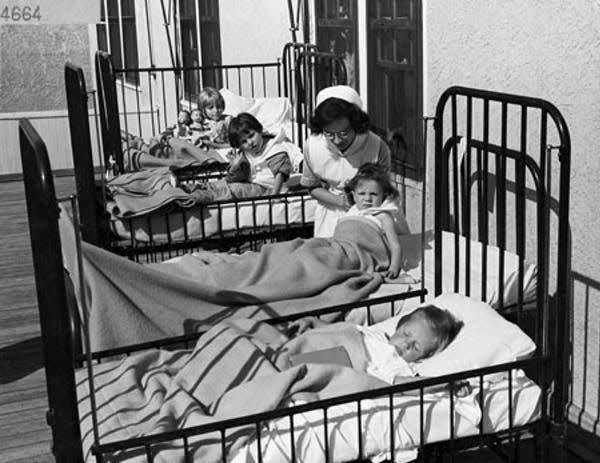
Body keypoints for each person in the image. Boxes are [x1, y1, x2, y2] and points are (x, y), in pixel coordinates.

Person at [285, 304, 463, 385]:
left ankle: (283, 367)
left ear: (424, 357)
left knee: (288, 367)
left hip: (341, 361)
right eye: (406, 334)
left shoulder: (398, 364)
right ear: (399, 326)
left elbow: (404, 385)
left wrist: (443, 384)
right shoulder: (376, 334)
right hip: (330, 343)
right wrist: (313, 323)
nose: (406, 345)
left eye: (416, 348)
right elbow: (343, 331)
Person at [300, 85, 392, 237]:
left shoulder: (376, 146)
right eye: (329, 134)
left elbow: (385, 190)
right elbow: (312, 187)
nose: (336, 140)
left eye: (343, 133)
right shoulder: (312, 146)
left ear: (356, 124)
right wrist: (339, 201)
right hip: (330, 212)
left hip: (369, 215)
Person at [343, 163, 410, 279]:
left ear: (383, 196)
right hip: (348, 253)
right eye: (362, 194)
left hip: (370, 258)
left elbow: (395, 246)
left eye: (373, 194)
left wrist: (394, 267)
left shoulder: (383, 216)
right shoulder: (352, 212)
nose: (367, 199)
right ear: (354, 195)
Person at [225, 112, 293, 195]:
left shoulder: (274, 149)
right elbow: (233, 180)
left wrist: (274, 196)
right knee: (225, 187)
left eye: (251, 135)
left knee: (233, 190)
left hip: (270, 189)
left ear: (259, 130)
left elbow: (280, 175)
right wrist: (235, 166)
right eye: (244, 142)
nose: (250, 142)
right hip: (254, 187)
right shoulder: (245, 154)